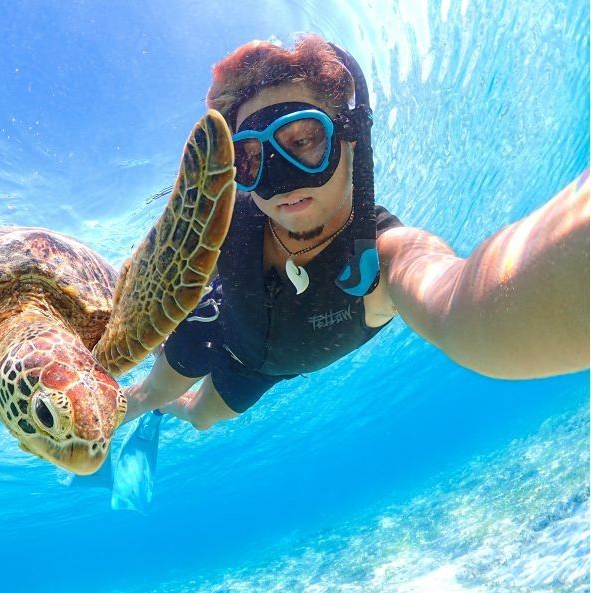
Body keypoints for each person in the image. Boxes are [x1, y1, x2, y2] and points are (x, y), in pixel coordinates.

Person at [121, 35, 589, 432]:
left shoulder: (381, 258)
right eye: (251, 159)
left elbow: (463, 302)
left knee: (201, 417)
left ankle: (164, 413)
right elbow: (154, 270)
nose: (280, 181)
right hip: (215, 320)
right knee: (145, 393)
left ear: (351, 139)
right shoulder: (228, 215)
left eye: (303, 141)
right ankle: (139, 408)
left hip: (260, 368)